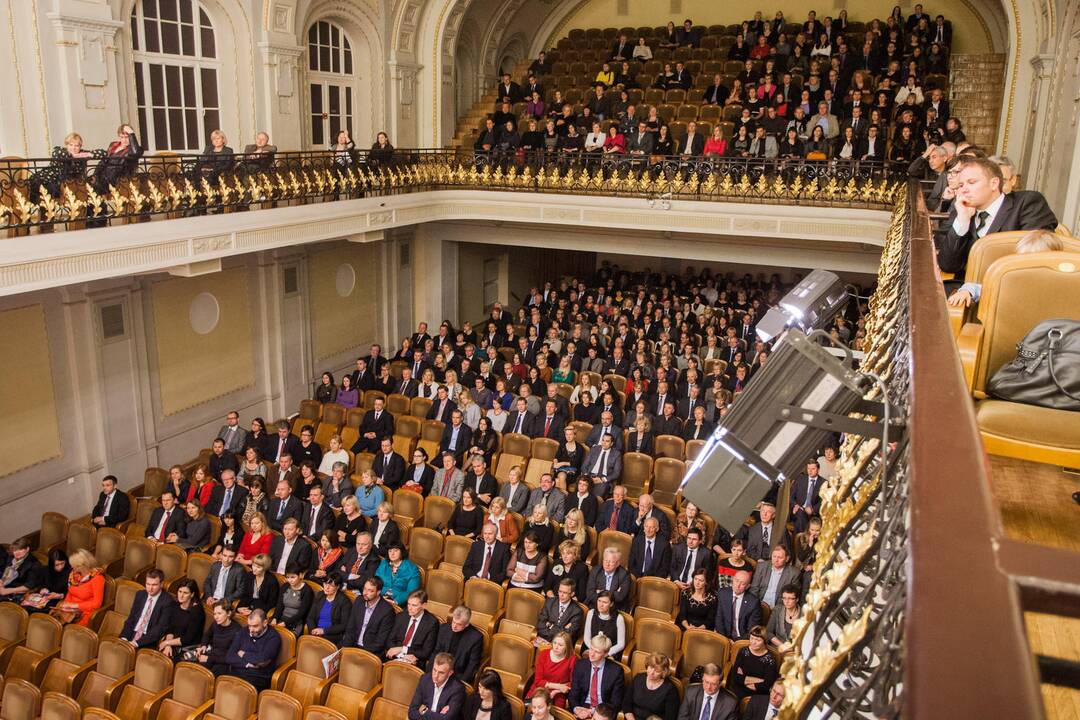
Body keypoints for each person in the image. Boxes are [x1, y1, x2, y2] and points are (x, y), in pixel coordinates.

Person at [939, 156, 1058, 275]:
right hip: (962, 287)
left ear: (994, 183)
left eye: (971, 182)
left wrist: (974, 289)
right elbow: (948, 265)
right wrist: (963, 220)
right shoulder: (962, 210)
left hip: (1008, 288)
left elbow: (1033, 261)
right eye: (960, 185)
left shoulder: (1026, 203)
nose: (963, 190)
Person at [948, 230, 1065, 308]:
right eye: (1024, 262)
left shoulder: (1062, 286)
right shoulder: (1009, 282)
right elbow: (979, 288)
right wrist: (966, 291)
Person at [568, 633, 626, 717]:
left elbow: (615, 703)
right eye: (591, 649)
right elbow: (573, 694)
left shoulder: (616, 671)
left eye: (597, 652)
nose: (591, 654)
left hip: (603, 712)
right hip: (582, 707)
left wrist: (592, 712)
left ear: (605, 654)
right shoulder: (580, 665)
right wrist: (576, 709)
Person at [225, 609, 281, 691]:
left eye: (255, 626)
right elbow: (229, 656)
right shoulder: (244, 631)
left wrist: (243, 654)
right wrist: (247, 664)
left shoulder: (273, 637)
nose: (251, 630)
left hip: (258, 677)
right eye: (249, 626)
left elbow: (262, 660)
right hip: (238, 671)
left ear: (265, 623)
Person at [120, 570, 176, 648]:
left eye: (154, 585)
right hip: (132, 633)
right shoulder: (140, 594)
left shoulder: (168, 601)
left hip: (148, 639)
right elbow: (131, 618)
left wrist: (136, 643)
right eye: (148, 584)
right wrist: (124, 638)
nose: (150, 588)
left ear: (161, 584)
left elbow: (159, 629)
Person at [341, 575, 396, 654]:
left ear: (378, 592)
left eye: (370, 590)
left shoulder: (387, 611)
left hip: (370, 652)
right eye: (365, 589)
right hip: (353, 646)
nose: (365, 593)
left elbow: (380, 642)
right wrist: (346, 648)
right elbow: (350, 628)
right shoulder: (359, 600)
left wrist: (361, 653)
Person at [430, 605, 484, 684]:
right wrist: (431, 672)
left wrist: (461, 682)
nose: (454, 626)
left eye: (459, 624)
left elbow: (472, 665)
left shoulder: (476, 638)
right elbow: (436, 651)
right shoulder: (444, 628)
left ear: (467, 624)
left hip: (458, 675)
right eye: (453, 622)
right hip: (439, 670)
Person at [51, 549, 103, 626]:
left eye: (74, 565)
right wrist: (66, 604)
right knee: (52, 622)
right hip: (70, 610)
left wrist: (75, 606)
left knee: (68, 631)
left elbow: (96, 604)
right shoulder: (74, 574)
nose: (71, 567)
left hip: (85, 612)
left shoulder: (97, 578)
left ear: (83, 566)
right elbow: (70, 592)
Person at [388, 589, 439, 666]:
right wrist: (403, 656)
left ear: (424, 605)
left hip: (415, 662)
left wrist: (402, 649)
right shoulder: (401, 616)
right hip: (395, 657)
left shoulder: (432, 623)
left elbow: (426, 652)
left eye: (414, 605)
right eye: (408, 604)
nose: (410, 608)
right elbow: (389, 641)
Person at [623, 652, 680, 720]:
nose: (651, 672)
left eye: (657, 670)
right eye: (650, 667)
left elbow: (670, 717)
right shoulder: (638, 678)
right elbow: (626, 704)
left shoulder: (670, 690)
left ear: (663, 672)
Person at [409, 651, 466, 720]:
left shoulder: (457, 689)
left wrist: (424, 711)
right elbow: (411, 712)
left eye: (441, 673)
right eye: (434, 670)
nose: (436, 675)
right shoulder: (425, 679)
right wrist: (438, 716)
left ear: (450, 673)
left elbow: (446, 719)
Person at [728, 626, 779, 699]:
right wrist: (759, 680)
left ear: (764, 641)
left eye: (758, 640)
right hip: (739, 689)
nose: (753, 642)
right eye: (751, 638)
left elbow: (767, 685)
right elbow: (736, 677)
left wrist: (745, 679)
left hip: (758, 693)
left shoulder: (770, 659)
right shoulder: (743, 651)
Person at [159, 579, 205, 661]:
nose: (181, 595)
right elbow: (170, 628)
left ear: (192, 594)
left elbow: (187, 639)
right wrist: (168, 645)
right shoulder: (176, 605)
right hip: (173, 643)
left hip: (186, 649)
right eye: (180, 591)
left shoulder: (197, 612)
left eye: (185, 593)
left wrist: (167, 643)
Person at [716, 569, 762, 641]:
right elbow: (719, 619)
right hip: (724, 636)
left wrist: (738, 643)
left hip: (742, 639)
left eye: (742, 584)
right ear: (733, 579)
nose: (738, 585)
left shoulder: (754, 602)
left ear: (747, 586)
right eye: (737, 581)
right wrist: (725, 639)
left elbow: (752, 629)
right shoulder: (722, 593)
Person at [306, 573, 350, 645]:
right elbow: (310, 617)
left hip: (331, 635)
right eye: (325, 583)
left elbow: (343, 625)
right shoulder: (320, 595)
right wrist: (313, 630)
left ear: (338, 586)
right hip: (316, 632)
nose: (327, 587)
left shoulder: (344, 601)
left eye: (331, 585)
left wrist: (323, 631)